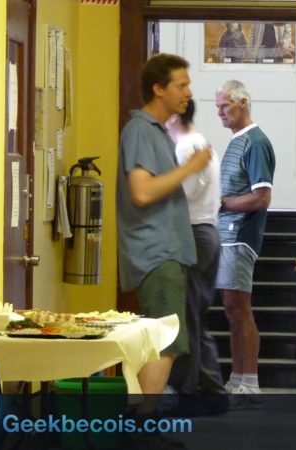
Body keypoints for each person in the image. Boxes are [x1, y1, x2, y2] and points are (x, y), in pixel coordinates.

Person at [116, 53, 211, 424]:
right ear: (158, 88)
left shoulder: (156, 132)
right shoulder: (140, 130)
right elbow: (142, 192)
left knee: (163, 343)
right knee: (166, 344)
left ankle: (140, 425)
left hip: (166, 252)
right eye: (181, 85)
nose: (188, 93)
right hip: (155, 254)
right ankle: (140, 429)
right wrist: (190, 168)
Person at [214, 80, 276, 402]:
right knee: (231, 309)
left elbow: (261, 197)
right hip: (226, 235)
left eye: (225, 106)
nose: (220, 112)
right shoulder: (237, 141)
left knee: (239, 309)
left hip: (240, 236)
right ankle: (237, 379)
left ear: (243, 103)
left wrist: (221, 203)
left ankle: (249, 383)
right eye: (218, 107)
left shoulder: (256, 142)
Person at [165, 99, 228, 408]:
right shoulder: (201, 143)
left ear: (174, 116)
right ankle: (212, 390)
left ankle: (189, 392)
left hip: (193, 233)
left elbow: (183, 192)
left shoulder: (186, 147)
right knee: (196, 318)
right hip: (207, 232)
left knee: (187, 318)